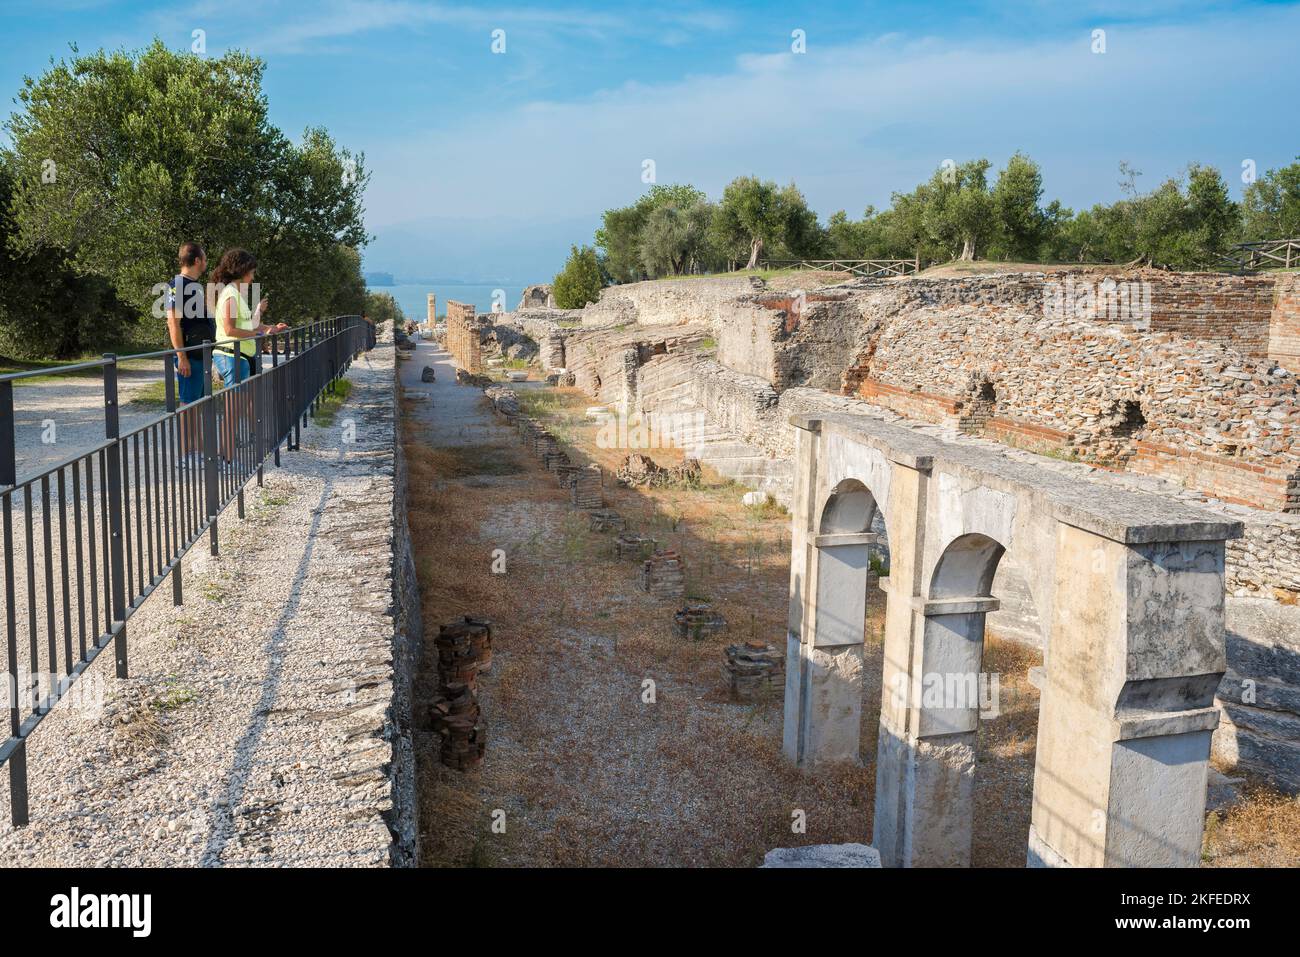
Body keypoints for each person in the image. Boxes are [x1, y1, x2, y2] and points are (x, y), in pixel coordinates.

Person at [210, 249, 285, 463]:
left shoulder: (237, 295)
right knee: (232, 411)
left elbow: (249, 325)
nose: (253, 278)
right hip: (232, 356)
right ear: (242, 271)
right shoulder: (231, 295)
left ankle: (226, 457)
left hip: (240, 357)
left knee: (236, 409)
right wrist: (256, 333)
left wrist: (270, 328)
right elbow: (230, 328)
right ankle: (225, 459)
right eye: (251, 272)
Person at [164, 242, 212, 457]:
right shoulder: (177, 285)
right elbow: (173, 323)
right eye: (205, 258)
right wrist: (181, 357)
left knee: (198, 403)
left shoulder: (194, 285)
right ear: (196, 261)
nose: (206, 262)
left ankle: (198, 447)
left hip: (201, 354)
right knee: (187, 402)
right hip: (189, 356)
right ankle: (185, 453)